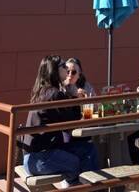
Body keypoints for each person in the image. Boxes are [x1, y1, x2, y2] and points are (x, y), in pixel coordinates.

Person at [19, 56, 97, 184]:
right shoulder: (54, 94)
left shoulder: (44, 91)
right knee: (77, 161)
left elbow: (68, 118)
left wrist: (72, 96)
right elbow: (74, 122)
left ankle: (83, 186)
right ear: (54, 70)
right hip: (40, 159)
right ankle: (86, 187)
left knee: (88, 149)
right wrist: (77, 98)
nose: (67, 69)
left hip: (35, 157)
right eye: (64, 66)